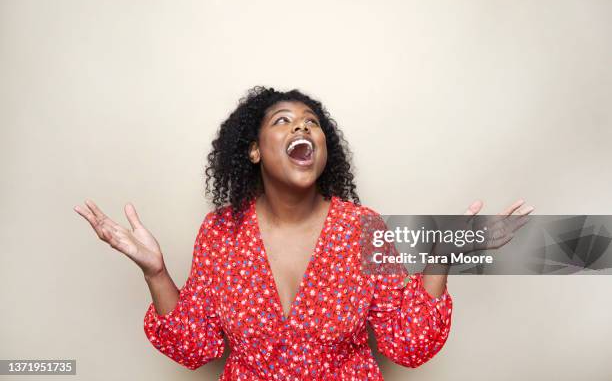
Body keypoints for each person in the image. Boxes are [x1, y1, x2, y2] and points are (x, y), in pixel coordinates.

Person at [74, 86, 534, 380]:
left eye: (312, 122)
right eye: (283, 120)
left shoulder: (362, 227)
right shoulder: (221, 233)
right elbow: (196, 346)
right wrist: (156, 273)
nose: (302, 125)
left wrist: (442, 257)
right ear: (253, 151)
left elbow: (407, 344)